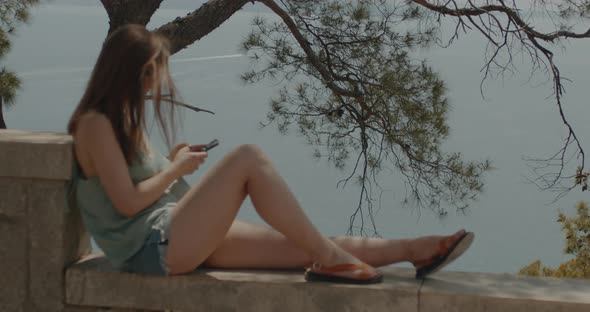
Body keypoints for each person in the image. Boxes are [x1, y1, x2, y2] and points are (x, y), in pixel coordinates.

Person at [67, 24, 474, 284]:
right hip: (152, 249)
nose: (161, 80)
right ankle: (332, 260)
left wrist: (172, 158)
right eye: (157, 70)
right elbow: (128, 202)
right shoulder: (95, 124)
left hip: (172, 233)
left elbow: (140, 186)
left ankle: (416, 249)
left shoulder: (120, 119)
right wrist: (175, 170)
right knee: (248, 158)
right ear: (135, 71)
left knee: (304, 244)